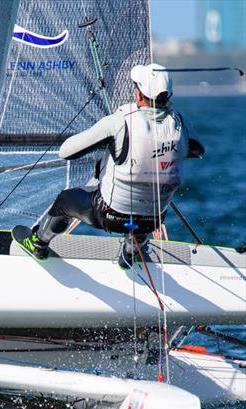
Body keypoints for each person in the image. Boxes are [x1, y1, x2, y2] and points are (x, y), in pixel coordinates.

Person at [12, 63, 205, 269]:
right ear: (168, 97)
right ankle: (130, 253)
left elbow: (65, 152)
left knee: (64, 200)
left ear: (139, 95)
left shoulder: (120, 121)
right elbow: (198, 151)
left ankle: (38, 244)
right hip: (153, 220)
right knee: (146, 210)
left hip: (108, 215)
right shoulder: (180, 123)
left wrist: (111, 140)